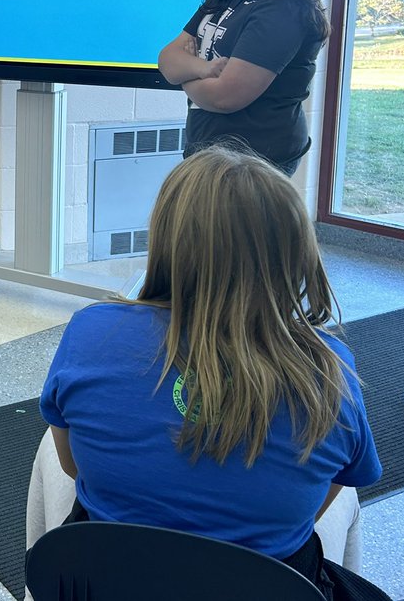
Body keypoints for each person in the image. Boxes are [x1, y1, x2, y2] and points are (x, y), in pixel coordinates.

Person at [39, 148, 386, 598]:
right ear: (296, 252)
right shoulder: (329, 370)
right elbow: (320, 502)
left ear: (166, 240)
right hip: (268, 585)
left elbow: (71, 465)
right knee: (346, 496)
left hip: (109, 581)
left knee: (51, 444)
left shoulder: (92, 330)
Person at [158, 0, 329, 175]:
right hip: (210, 156)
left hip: (254, 168)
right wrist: (206, 69)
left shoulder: (282, 9)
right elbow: (167, 59)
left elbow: (225, 97)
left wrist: (185, 76)